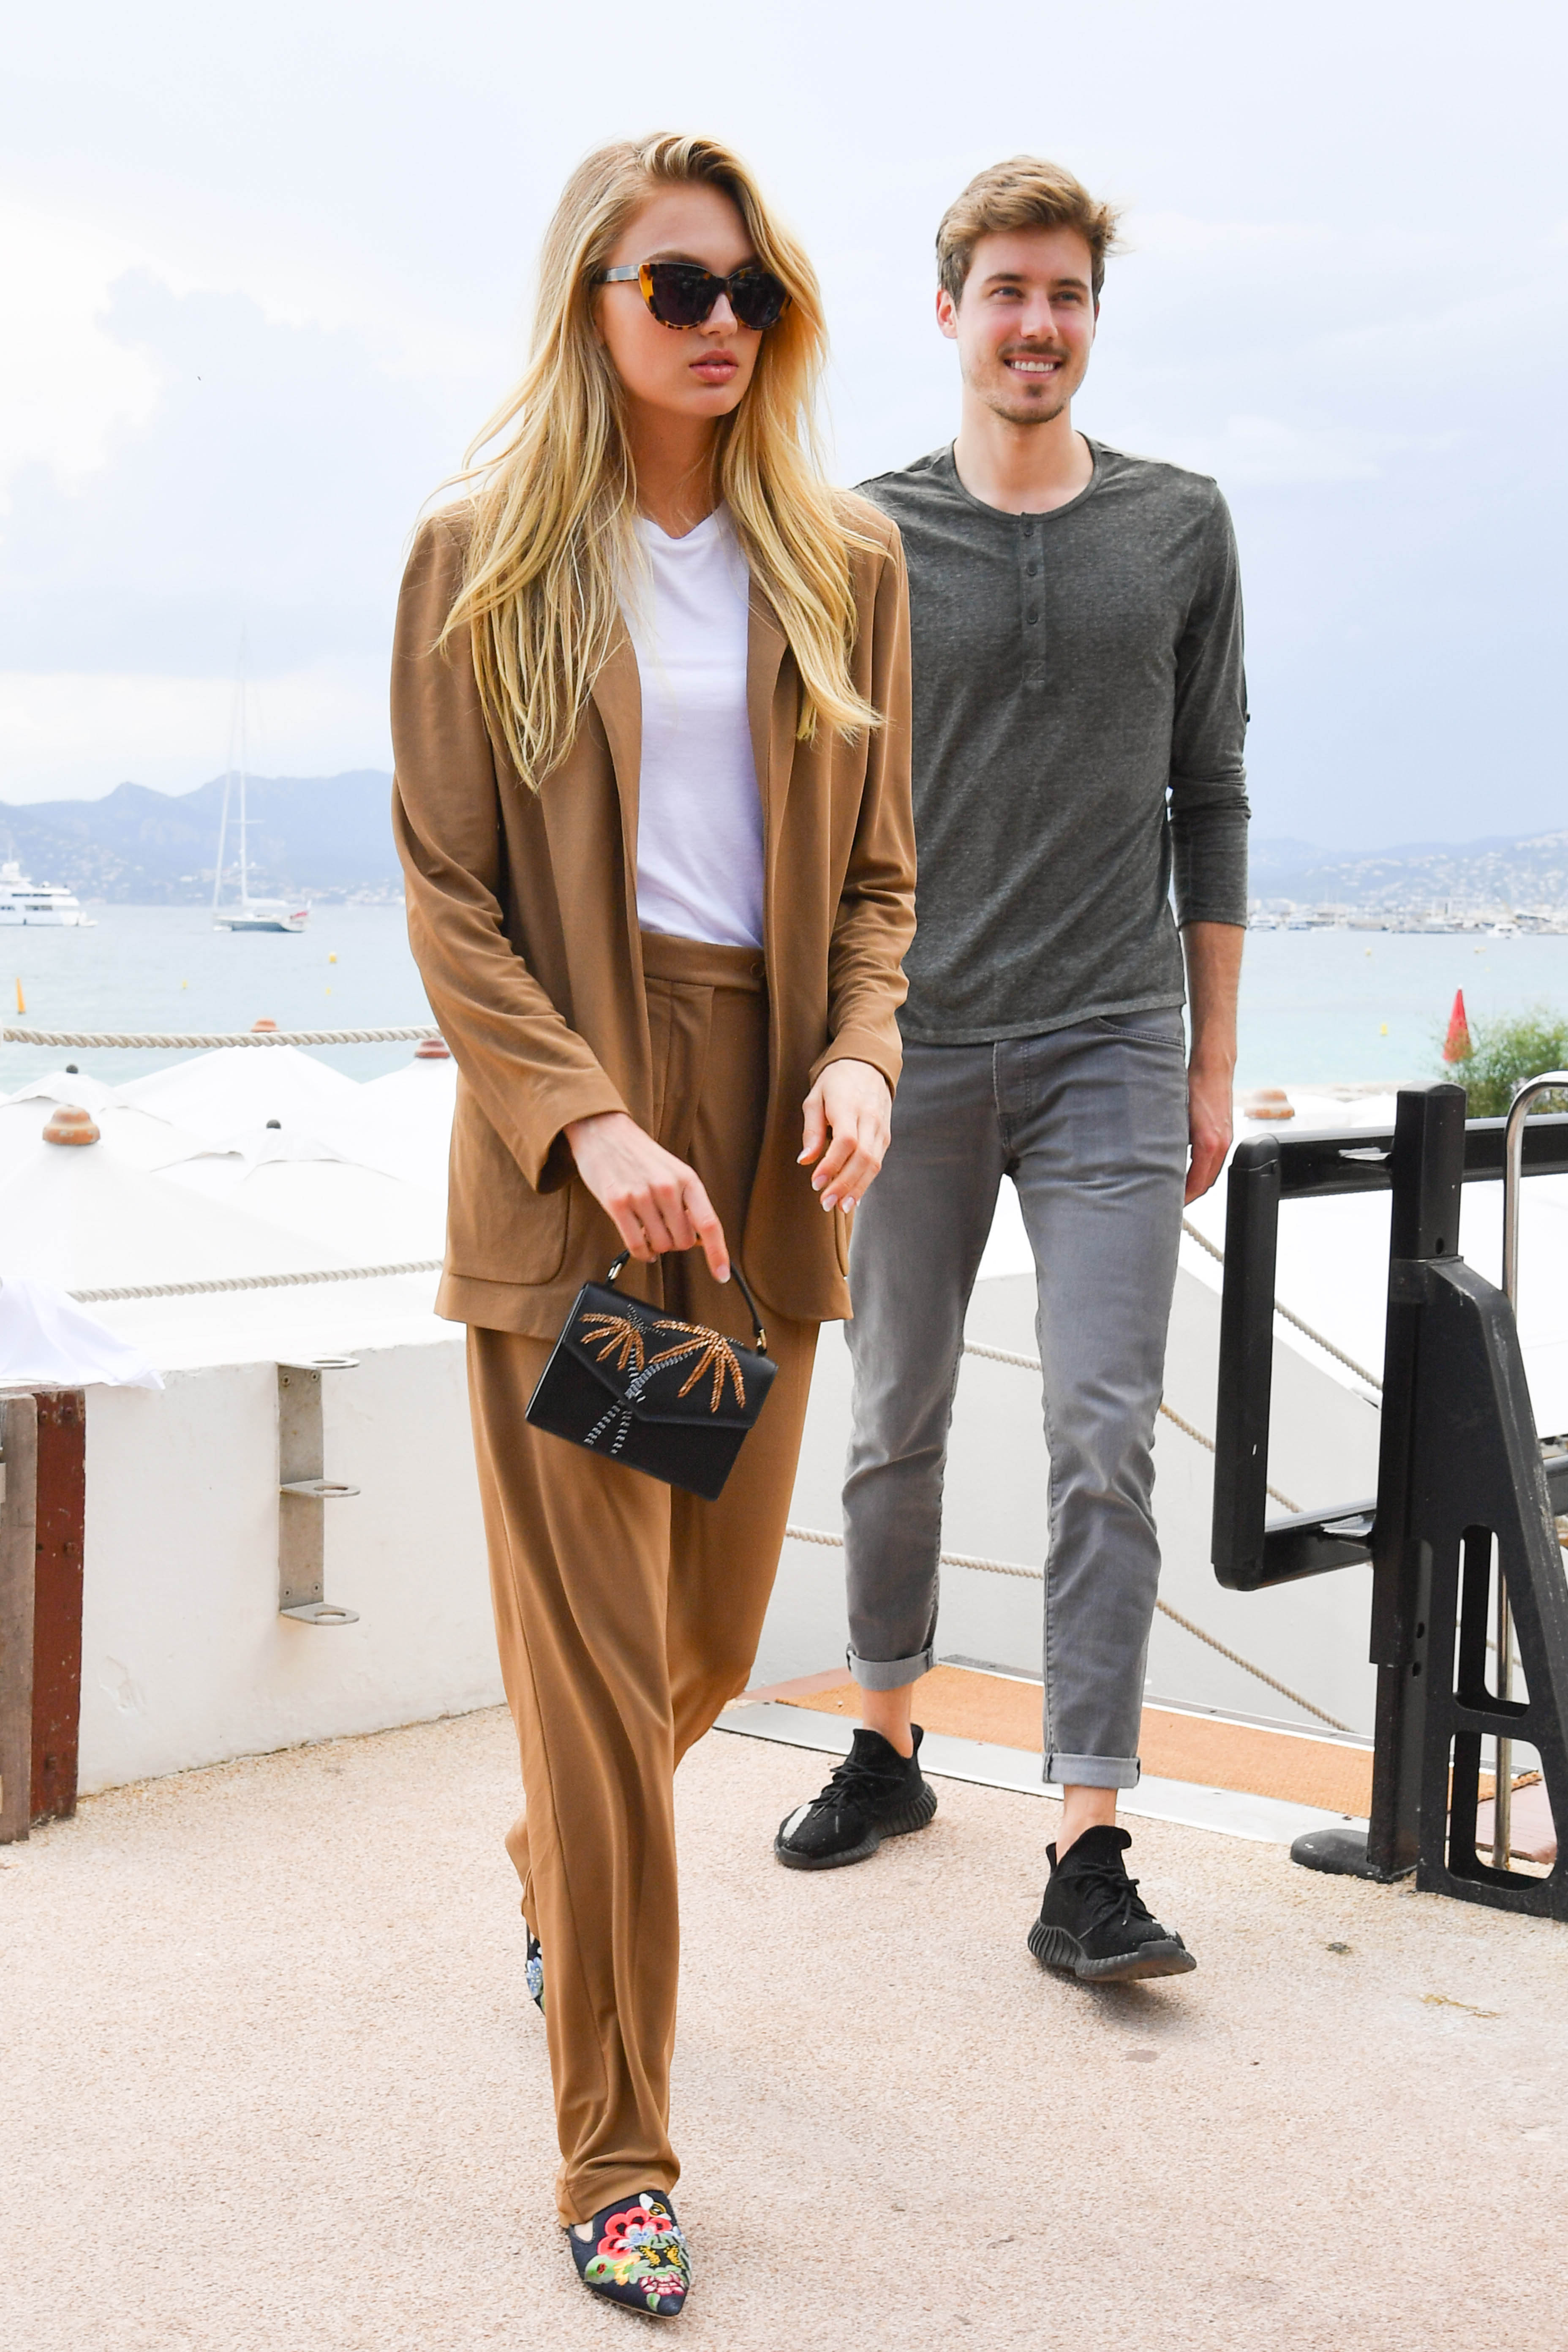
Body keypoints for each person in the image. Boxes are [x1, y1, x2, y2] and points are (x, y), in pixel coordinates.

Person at [391, 133, 914, 2317]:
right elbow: (449, 898)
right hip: (579, 1165)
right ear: (590, 300)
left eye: (751, 292)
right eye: (677, 286)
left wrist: (865, 1054)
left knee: (699, 1652)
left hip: (765, 1156)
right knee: (607, 1695)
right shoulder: (483, 557)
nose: (721, 324)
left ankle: (551, 1855)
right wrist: (587, 1122)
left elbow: (878, 883)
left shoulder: (845, 562)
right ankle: (617, 2157)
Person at [774, 156, 1249, 1985]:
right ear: (951, 311)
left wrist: (1212, 1054)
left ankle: (1088, 1843)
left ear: (1091, 318)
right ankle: (887, 1741)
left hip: (1115, 1038)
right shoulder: (861, 535)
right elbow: (814, 806)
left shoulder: (1181, 524)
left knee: (1101, 1432)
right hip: (910, 1045)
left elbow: (1208, 793)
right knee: (894, 1415)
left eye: (1066, 295)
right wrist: (831, 1043)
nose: (1036, 324)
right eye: (1007, 293)